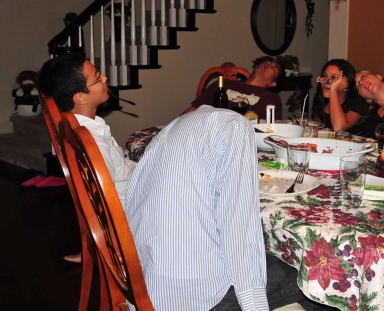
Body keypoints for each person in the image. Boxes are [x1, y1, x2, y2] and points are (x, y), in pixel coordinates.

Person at [125, 106, 307, 311]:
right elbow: (238, 226)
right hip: (195, 293)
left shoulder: (173, 127)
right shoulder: (236, 126)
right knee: (308, 274)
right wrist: (254, 304)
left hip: (144, 279)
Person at [37, 52, 136, 263]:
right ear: (79, 97)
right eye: (97, 77)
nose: (105, 78)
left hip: (132, 184)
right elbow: (107, 205)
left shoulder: (75, 126)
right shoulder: (93, 143)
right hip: (135, 208)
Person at [182, 60, 283, 121]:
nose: (269, 63)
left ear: (272, 83)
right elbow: (194, 109)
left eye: (275, 67)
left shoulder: (271, 99)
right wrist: (174, 126)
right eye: (269, 62)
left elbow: (270, 129)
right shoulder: (224, 84)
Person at [311, 59, 369, 135]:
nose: (326, 81)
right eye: (324, 76)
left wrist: (333, 89)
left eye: (334, 77)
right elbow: (315, 130)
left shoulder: (358, 102)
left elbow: (339, 128)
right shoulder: (321, 99)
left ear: (346, 83)